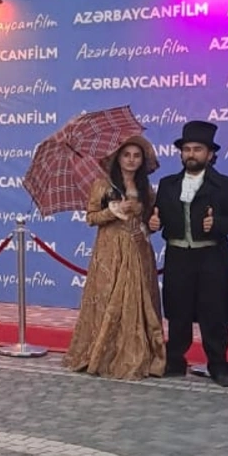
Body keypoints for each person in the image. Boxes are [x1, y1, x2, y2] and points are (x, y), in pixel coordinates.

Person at [149, 119, 228, 388]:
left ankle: (218, 365)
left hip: (211, 257)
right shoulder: (167, 184)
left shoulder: (226, 185)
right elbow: (157, 217)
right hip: (178, 256)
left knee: (214, 314)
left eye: (197, 149)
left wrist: (217, 224)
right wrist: (153, 222)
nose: (191, 154)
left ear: (210, 154)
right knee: (177, 312)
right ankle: (175, 361)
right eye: (187, 149)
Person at [64, 137, 165, 381]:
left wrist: (153, 224)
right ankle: (102, 354)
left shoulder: (146, 189)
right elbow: (91, 218)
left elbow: (149, 221)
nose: (131, 160)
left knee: (138, 302)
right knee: (109, 299)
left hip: (139, 250)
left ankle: (138, 355)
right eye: (126, 155)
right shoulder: (103, 185)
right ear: (117, 158)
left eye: (136, 156)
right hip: (110, 251)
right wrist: (115, 210)